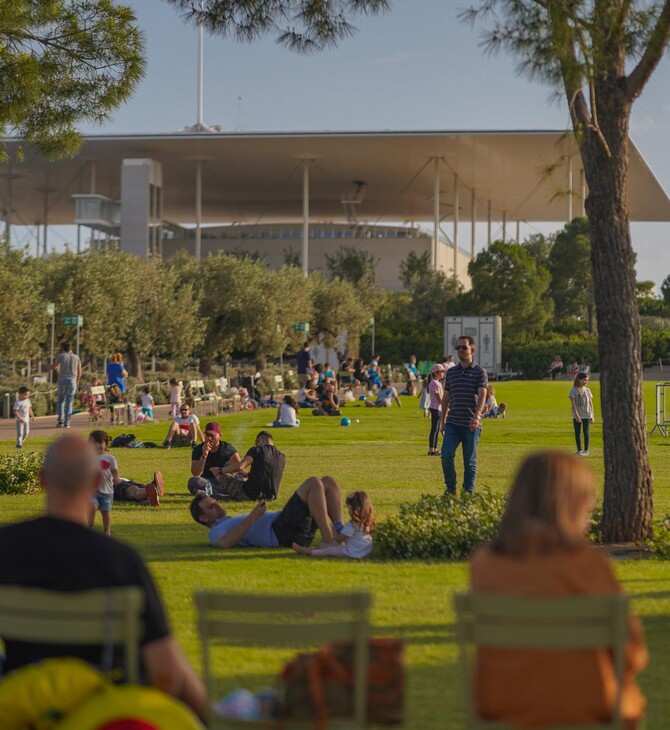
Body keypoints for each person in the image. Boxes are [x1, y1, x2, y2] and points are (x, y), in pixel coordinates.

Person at [0, 435, 207, 722]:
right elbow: (166, 673)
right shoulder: (120, 562)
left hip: (20, 711)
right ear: (98, 479)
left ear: (42, 480)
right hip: (103, 718)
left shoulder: (6, 548)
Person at [469, 451, 647, 729]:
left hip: (506, 708)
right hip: (589, 710)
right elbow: (632, 654)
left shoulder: (486, 565)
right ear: (574, 506)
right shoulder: (591, 567)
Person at [190, 475, 343, 550]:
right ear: (203, 518)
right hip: (281, 532)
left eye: (215, 502)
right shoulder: (216, 531)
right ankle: (329, 540)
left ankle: (339, 532)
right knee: (313, 483)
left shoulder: (228, 521)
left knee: (328, 482)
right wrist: (253, 517)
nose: (217, 505)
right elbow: (224, 543)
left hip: (287, 526)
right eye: (211, 507)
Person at [440, 335, 488, 494]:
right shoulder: (451, 372)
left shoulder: (480, 372)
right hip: (453, 422)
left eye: (463, 347)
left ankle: (468, 493)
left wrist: (477, 416)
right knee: (446, 455)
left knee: (470, 462)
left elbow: (482, 395)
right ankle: (451, 489)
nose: (460, 350)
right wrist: (443, 421)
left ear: (472, 350)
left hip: (470, 424)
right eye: (458, 347)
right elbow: (446, 398)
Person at [89, 430, 163, 509]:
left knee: (134, 489)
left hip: (119, 482)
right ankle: (149, 491)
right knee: (132, 490)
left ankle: (149, 493)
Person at [292, 490, 374, 559]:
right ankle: (312, 550)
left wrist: (333, 529)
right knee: (330, 548)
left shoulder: (352, 524)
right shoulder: (366, 522)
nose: (348, 511)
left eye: (349, 508)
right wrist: (342, 529)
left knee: (329, 550)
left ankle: (307, 552)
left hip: (352, 552)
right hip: (365, 550)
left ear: (355, 509)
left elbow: (339, 539)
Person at [214, 431, 286, 501]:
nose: (256, 445)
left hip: (250, 494)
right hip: (270, 497)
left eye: (257, 442)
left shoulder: (257, 450)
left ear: (261, 440)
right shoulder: (282, 457)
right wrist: (247, 474)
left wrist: (220, 470)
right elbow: (268, 474)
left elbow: (240, 466)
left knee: (222, 471)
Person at [188, 421, 241, 496]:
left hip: (224, 480)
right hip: (207, 482)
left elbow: (240, 467)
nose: (209, 438)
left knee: (240, 480)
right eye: (207, 435)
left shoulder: (227, 448)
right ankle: (220, 492)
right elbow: (196, 473)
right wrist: (204, 455)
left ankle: (211, 492)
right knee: (193, 481)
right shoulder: (198, 449)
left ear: (220, 436)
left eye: (212, 435)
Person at [51, 341, 82, 428]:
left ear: (63, 348)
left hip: (62, 380)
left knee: (61, 401)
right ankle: (67, 422)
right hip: (72, 380)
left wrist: (54, 367)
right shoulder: (76, 357)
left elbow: (54, 366)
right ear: (71, 348)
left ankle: (60, 421)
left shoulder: (61, 356)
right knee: (69, 401)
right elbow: (79, 370)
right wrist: (78, 380)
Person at [569, 372, 595, 456]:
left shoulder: (587, 390)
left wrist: (592, 415)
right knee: (577, 432)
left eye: (587, 380)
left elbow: (591, 403)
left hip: (586, 414)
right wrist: (577, 415)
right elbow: (573, 404)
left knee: (586, 432)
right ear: (579, 380)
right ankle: (579, 450)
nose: (586, 382)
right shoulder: (573, 390)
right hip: (577, 415)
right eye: (584, 380)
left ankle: (586, 450)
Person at [427, 364, 445, 455]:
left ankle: (434, 449)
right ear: (436, 373)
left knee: (436, 429)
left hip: (436, 407)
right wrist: (445, 406)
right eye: (441, 372)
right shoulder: (435, 383)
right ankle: (432, 449)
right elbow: (439, 398)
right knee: (435, 429)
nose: (443, 373)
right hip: (436, 407)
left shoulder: (436, 383)